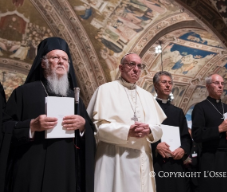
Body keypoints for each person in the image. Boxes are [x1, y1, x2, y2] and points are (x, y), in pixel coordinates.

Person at [1, 37, 96, 192]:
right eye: (55, 57)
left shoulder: (74, 97)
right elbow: (5, 127)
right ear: (43, 63)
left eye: (65, 59)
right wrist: (31, 126)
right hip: (32, 166)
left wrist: (83, 126)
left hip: (65, 170)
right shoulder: (24, 93)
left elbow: (90, 135)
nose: (61, 61)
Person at [87, 53, 166, 192]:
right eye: (131, 64)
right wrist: (127, 131)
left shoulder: (147, 96)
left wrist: (149, 130)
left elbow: (159, 130)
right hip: (115, 157)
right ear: (121, 68)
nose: (136, 69)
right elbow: (97, 129)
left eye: (139, 66)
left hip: (142, 156)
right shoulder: (105, 90)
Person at [192, 74, 227, 192]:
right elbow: (197, 134)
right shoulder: (200, 108)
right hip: (213, 158)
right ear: (207, 86)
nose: (220, 86)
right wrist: (218, 129)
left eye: (222, 83)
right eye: (216, 83)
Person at [151, 71, 192, 192]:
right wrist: (155, 146)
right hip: (156, 163)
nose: (168, 85)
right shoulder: (149, 108)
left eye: (170, 83)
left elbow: (186, 137)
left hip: (176, 163)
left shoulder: (177, 112)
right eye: (164, 82)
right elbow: (143, 135)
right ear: (156, 85)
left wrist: (183, 149)